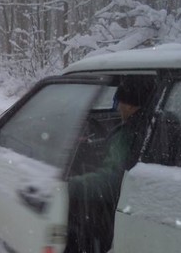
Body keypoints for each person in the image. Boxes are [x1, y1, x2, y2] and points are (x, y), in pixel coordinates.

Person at [66, 77, 155, 253]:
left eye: (119, 102)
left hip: (121, 205)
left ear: (129, 105)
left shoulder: (129, 134)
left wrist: (71, 185)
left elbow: (111, 180)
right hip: (146, 200)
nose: (118, 107)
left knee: (76, 220)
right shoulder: (159, 121)